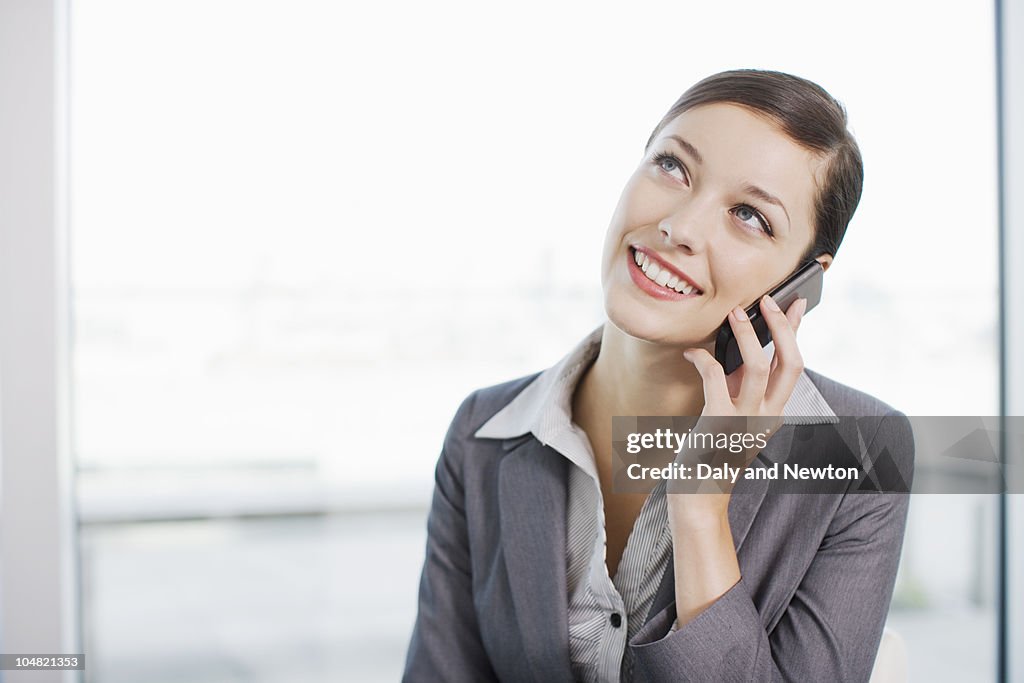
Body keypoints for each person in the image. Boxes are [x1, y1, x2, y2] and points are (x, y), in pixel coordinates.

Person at [402, 69, 915, 683]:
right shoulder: (482, 432)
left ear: (802, 280)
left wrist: (699, 512)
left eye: (749, 215)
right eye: (673, 167)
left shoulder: (860, 452)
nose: (681, 227)